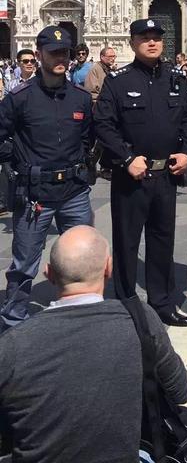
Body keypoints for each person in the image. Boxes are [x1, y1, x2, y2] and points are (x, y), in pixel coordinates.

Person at [0, 226, 187, 463]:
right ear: (108, 269)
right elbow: (180, 391)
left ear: (49, 274)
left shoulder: (13, 344)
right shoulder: (140, 319)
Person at [94, 19, 187, 326]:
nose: (152, 42)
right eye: (144, 37)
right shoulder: (119, 80)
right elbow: (103, 124)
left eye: (156, 37)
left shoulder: (177, 78)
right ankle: (126, 302)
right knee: (127, 242)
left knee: (162, 239)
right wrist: (126, 158)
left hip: (165, 175)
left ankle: (161, 302)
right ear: (132, 43)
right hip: (131, 176)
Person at [0, 26, 93, 331]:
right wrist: (15, 164)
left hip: (74, 191)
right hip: (35, 194)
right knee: (24, 263)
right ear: (39, 55)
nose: (61, 58)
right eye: (54, 53)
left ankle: (78, 317)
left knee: (82, 260)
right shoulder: (19, 98)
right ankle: (13, 321)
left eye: (65, 53)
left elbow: (88, 137)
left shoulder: (79, 98)